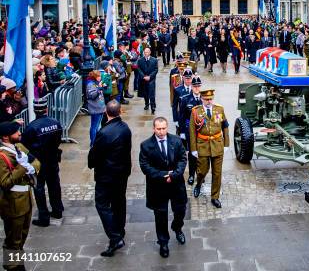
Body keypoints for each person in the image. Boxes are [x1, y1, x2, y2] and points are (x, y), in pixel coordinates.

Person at [87, 100, 132, 257]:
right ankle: (120, 228)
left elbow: (94, 155)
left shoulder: (104, 133)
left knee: (102, 205)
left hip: (107, 175)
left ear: (106, 112)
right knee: (119, 202)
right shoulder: (125, 128)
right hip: (122, 173)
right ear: (120, 112)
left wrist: (91, 162)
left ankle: (115, 236)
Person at [139, 117, 188, 258]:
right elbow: (145, 167)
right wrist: (164, 175)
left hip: (176, 184)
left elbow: (182, 160)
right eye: (158, 129)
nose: (161, 132)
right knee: (160, 216)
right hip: (157, 187)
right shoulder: (146, 145)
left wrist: (174, 175)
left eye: (164, 128)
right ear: (154, 129)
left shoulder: (176, 141)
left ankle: (177, 227)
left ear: (167, 127)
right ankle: (163, 242)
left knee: (180, 210)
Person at [0, 121, 40, 271]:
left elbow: (36, 162)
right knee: (13, 239)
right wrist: (23, 167)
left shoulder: (19, 147)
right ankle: (12, 266)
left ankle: (17, 262)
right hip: (12, 204)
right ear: (5, 137)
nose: (19, 133)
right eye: (16, 132)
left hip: (26, 200)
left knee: (22, 236)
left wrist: (31, 168)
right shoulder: (2, 156)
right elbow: (5, 183)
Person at [20, 99, 63, 228]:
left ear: (34, 110)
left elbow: (25, 145)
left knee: (39, 188)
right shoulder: (55, 123)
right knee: (54, 184)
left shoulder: (31, 127)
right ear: (46, 109)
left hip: (38, 161)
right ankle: (57, 210)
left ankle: (44, 217)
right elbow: (58, 139)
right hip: (52, 158)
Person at [189, 89, 230, 208]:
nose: (209, 101)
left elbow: (225, 126)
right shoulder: (196, 111)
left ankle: (215, 197)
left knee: (217, 173)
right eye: (206, 99)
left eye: (211, 99)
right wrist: (193, 149)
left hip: (217, 145)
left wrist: (226, 144)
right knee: (202, 171)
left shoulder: (219, 109)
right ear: (201, 99)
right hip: (203, 145)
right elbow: (192, 130)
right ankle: (198, 184)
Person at [178, 75, 203, 185]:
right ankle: (192, 174)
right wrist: (182, 131)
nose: (196, 88)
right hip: (190, 130)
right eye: (194, 86)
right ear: (191, 87)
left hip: (202, 130)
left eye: (198, 86)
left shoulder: (205, 98)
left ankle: (200, 173)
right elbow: (181, 117)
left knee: (202, 153)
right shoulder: (185, 99)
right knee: (192, 153)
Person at [86, 70, 106, 147]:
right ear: (94, 77)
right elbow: (92, 96)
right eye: (98, 76)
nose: (100, 77)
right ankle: (93, 143)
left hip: (99, 107)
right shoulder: (91, 84)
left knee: (98, 126)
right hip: (95, 108)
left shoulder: (96, 83)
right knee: (94, 126)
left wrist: (103, 87)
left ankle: (97, 141)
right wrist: (99, 88)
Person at [137, 47, 158, 114]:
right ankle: (146, 104)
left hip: (151, 79)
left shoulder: (154, 60)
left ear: (150, 52)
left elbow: (156, 69)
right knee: (145, 93)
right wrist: (143, 76)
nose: (146, 54)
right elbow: (139, 69)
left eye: (147, 52)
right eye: (145, 52)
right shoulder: (140, 60)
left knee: (151, 93)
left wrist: (150, 76)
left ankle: (153, 106)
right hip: (143, 79)